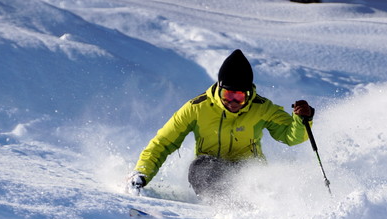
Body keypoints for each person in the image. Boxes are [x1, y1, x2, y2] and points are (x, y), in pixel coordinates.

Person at [128, 49, 314, 199]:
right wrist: (142, 173)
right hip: (209, 168)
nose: (232, 102)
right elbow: (163, 142)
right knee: (201, 168)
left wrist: (302, 120)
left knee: (256, 179)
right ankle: (223, 215)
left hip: (248, 169)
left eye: (239, 96)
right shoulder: (197, 108)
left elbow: (292, 137)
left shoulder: (262, 108)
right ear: (219, 89)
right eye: (228, 95)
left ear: (249, 93)